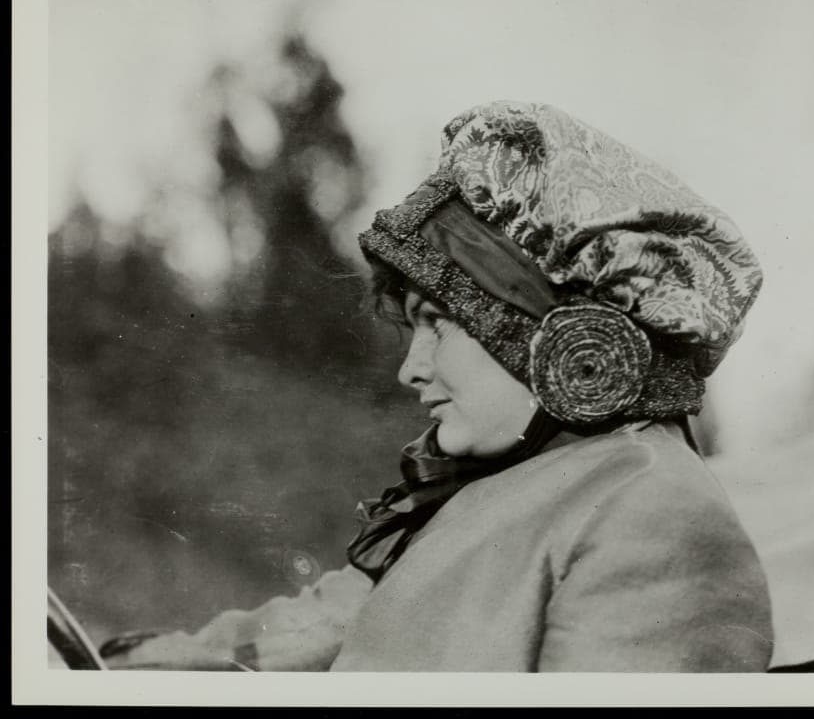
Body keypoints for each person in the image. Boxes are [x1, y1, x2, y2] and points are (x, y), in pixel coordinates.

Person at [103, 101, 773, 672]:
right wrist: (143, 663)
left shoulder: (655, 510)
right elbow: (313, 634)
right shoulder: (501, 480)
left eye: (438, 327)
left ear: (555, 337)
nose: (410, 369)